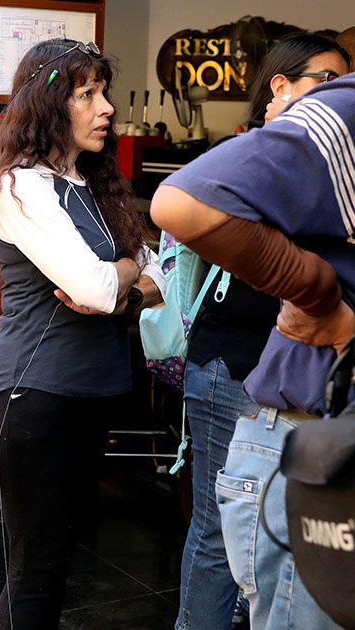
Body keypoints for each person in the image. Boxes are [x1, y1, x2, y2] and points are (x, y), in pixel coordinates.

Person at [152, 75, 355, 630]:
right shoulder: (333, 121)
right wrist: (315, 291)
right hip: (294, 417)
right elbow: (180, 206)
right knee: (215, 540)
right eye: (312, 81)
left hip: (294, 416)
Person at [0, 39, 165, 629]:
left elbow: (163, 273)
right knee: (35, 569)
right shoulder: (22, 186)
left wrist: (126, 281)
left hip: (88, 394)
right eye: (87, 95)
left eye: (102, 92)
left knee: (60, 564)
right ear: (48, 104)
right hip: (37, 397)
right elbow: (98, 289)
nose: (105, 107)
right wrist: (128, 280)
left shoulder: (90, 183)